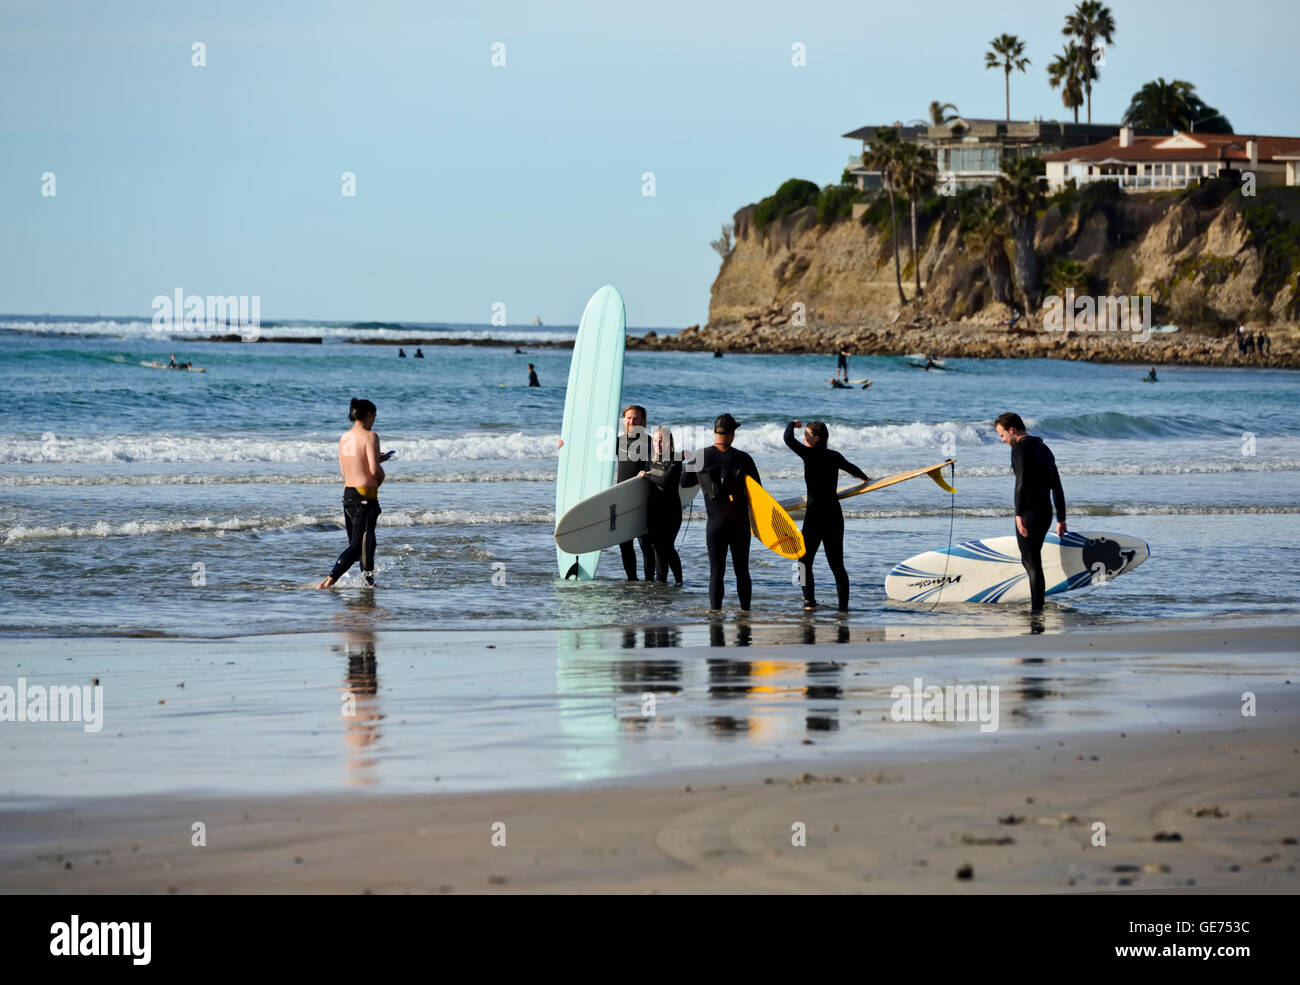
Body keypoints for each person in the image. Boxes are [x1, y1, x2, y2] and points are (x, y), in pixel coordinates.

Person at [784, 420, 869, 612]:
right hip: (833, 515)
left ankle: (809, 603)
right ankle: (843, 609)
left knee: (804, 562)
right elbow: (852, 468)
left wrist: (792, 423)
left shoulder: (808, 454)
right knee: (837, 565)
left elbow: (787, 438)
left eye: (806, 435)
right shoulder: (834, 456)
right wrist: (865, 478)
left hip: (815, 517)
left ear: (817, 438)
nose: (803, 438)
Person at [681, 414, 760, 610]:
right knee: (742, 571)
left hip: (715, 524)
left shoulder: (701, 456)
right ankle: (745, 613)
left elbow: (683, 482)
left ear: (714, 432)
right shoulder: (743, 458)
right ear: (732, 434)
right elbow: (758, 491)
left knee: (716, 571)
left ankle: (715, 615)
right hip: (739, 524)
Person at [316, 398, 394, 589]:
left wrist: (375, 460)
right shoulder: (371, 436)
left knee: (367, 544)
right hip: (365, 496)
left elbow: (346, 471)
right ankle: (328, 582)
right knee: (359, 546)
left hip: (349, 494)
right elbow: (374, 471)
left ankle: (368, 583)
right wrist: (381, 477)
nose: (374, 420)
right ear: (368, 415)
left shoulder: (344, 437)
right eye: (374, 416)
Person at [994, 412, 1067, 613]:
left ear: (1011, 430)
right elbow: (1057, 485)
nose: (1003, 440)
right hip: (1045, 513)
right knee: (1033, 560)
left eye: (1002, 435)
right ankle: (1038, 604)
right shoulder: (1044, 448)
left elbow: (1022, 482)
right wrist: (1061, 518)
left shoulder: (1019, 448)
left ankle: (1037, 609)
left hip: (1029, 513)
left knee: (1031, 561)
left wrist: (1018, 514)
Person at [639, 427, 684, 585]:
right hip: (654, 510)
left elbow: (665, 482)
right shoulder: (650, 460)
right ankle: (662, 583)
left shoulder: (676, 460)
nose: (658, 444)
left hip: (671, 511)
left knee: (666, 547)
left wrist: (647, 475)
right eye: (656, 441)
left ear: (670, 442)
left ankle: (674, 582)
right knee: (658, 547)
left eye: (662, 440)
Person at [617, 405, 655, 580]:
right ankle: (631, 580)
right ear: (624, 420)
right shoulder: (618, 441)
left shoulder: (650, 442)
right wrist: (565, 445)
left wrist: (647, 473)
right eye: (629, 418)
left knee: (646, 544)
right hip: (622, 497)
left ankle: (649, 582)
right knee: (624, 543)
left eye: (636, 418)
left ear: (643, 421)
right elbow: (588, 454)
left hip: (643, 498)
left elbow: (660, 467)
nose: (632, 421)